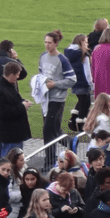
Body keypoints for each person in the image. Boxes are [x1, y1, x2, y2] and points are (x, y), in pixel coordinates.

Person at [38, 30, 76, 162]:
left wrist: (55, 84)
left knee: (47, 131)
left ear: (56, 43)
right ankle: (71, 143)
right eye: (45, 42)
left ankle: (49, 159)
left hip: (57, 100)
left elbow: (72, 79)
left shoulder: (62, 59)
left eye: (49, 43)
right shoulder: (43, 56)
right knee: (54, 130)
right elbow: (41, 74)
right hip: (45, 99)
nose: (47, 45)